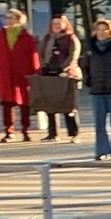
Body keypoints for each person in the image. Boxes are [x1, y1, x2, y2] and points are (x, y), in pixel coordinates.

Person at [0, 8, 38, 141]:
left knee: (24, 104)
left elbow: (33, 57)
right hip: (6, 74)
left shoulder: (27, 37)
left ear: (18, 20)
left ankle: (25, 130)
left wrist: (36, 74)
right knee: (7, 103)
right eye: (7, 18)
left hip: (22, 75)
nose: (8, 20)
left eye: (11, 18)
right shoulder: (0, 35)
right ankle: (9, 131)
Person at [80, 17, 111, 161]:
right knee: (99, 123)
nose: (101, 33)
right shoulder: (90, 49)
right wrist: (88, 80)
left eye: (105, 30)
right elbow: (85, 67)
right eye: (99, 30)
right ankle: (101, 150)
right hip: (97, 91)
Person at [37, 13, 82, 142]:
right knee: (50, 105)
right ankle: (53, 133)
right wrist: (44, 66)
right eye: (54, 24)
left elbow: (73, 55)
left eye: (59, 23)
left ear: (64, 24)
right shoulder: (46, 39)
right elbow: (40, 53)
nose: (56, 26)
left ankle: (74, 133)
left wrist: (63, 68)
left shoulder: (71, 38)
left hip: (67, 74)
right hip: (49, 74)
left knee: (68, 105)